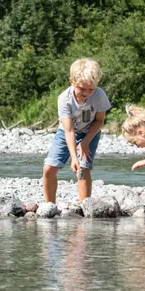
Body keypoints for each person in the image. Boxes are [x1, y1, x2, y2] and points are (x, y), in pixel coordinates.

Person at [42, 58, 111, 203]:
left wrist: (85, 143)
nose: (86, 93)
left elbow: (99, 121)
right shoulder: (64, 99)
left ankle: (84, 205)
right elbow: (69, 130)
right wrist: (74, 156)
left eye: (90, 89)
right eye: (82, 88)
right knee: (49, 168)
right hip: (66, 133)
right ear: (72, 81)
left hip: (90, 132)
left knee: (84, 169)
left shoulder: (99, 95)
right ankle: (49, 205)